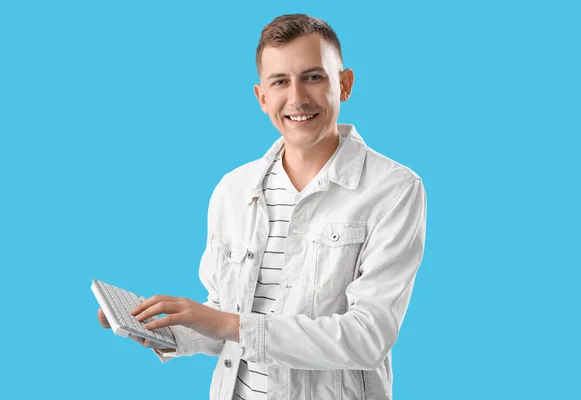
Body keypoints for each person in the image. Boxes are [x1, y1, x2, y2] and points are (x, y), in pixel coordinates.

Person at [98, 13, 427, 400]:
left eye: (314, 77)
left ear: (346, 84)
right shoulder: (233, 189)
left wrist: (225, 322)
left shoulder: (393, 189)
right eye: (280, 82)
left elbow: (368, 337)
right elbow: (223, 317)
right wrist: (168, 331)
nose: (298, 98)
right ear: (262, 97)